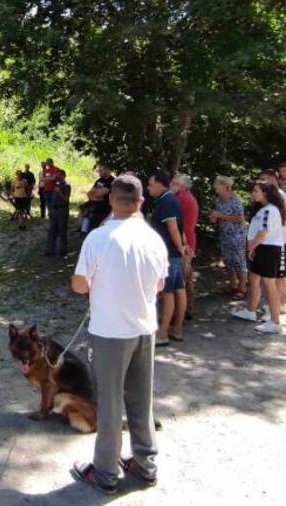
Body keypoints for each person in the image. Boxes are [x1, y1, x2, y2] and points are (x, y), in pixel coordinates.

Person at [70, 175, 166, 494]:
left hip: (110, 332)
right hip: (144, 329)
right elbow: (161, 285)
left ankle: (106, 473)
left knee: (110, 404)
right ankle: (145, 463)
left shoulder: (98, 238)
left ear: (111, 200)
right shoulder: (153, 239)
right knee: (141, 399)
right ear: (140, 202)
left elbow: (79, 285)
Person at [231, 182, 286, 334]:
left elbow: (264, 232)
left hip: (268, 249)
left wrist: (252, 246)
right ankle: (251, 311)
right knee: (255, 279)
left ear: (265, 193)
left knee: (269, 284)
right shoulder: (264, 209)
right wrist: (253, 246)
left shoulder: (269, 210)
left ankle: (275, 321)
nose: (253, 193)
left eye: (256, 191)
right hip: (262, 248)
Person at [147, 172, 185, 346]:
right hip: (172, 254)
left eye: (151, 185)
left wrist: (180, 249)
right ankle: (176, 329)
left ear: (162, 184)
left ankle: (163, 333)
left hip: (168, 254)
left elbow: (173, 228)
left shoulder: (167, 201)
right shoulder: (167, 200)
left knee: (168, 293)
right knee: (177, 289)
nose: (148, 188)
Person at [258, 170, 286, 315]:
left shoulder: (281, 196)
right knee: (276, 276)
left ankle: (281, 304)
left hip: (281, 240)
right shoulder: (270, 198)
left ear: (273, 180)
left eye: (264, 180)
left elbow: (285, 218)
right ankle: (278, 303)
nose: (261, 182)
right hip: (274, 241)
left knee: (278, 276)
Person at [209, 176, 248, 299]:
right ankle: (233, 286)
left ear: (226, 187)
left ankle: (242, 289)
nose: (215, 188)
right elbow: (216, 216)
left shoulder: (235, 200)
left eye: (217, 185)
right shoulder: (218, 201)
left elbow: (240, 218)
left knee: (239, 261)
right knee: (228, 261)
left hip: (237, 235)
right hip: (224, 235)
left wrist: (221, 215)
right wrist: (214, 218)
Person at [170, 174, 198, 317]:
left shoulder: (181, 198)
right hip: (188, 240)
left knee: (181, 279)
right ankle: (188, 309)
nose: (171, 185)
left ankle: (180, 312)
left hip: (184, 242)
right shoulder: (187, 196)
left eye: (175, 183)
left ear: (183, 186)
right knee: (187, 277)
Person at [81, 163, 115, 234]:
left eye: (101, 170)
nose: (99, 172)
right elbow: (89, 193)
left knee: (100, 231)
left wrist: (96, 193)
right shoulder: (99, 180)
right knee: (91, 230)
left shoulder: (111, 181)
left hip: (105, 210)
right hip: (95, 209)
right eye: (98, 170)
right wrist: (96, 196)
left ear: (107, 170)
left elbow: (99, 194)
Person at [45, 169, 72, 257]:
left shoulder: (67, 186)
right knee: (52, 230)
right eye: (57, 175)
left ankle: (63, 252)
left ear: (64, 176)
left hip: (62, 210)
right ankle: (50, 251)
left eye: (59, 175)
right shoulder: (56, 185)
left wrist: (59, 192)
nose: (58, 177)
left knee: (62, 230)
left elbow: (66, 199)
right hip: (54, 209)